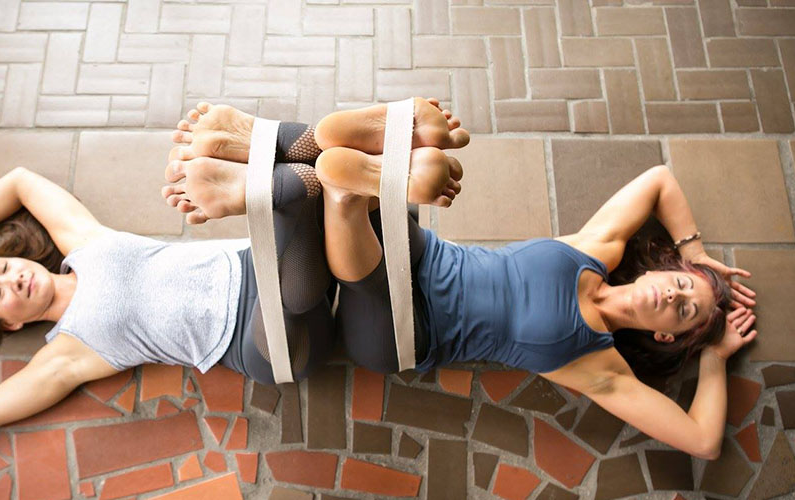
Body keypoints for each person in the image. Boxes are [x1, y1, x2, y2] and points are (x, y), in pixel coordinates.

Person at [165, 99, 758, 460]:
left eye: (684, 313)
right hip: (426, 257)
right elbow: (659, 178)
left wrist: (714, 355)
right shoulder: (595, 249)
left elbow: (703, 440)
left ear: (664, 336)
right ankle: (341, 179)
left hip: (406, 333)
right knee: (383, 228)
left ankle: (331, 176)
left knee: (370, 264)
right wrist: (699, 254)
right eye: (683, 285)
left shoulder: (601, 367)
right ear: (665, 271)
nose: (674, 296)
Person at [0, 116, 392, 432]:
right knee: (293, 260)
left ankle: (324, 168)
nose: (11, 281)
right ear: (9, 325)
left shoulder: (82, 241)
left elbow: (19, 181)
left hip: (258, 262)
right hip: (265, 343)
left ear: (22, 259)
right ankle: (291, 164)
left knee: (303, 224)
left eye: (4, 267)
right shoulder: (67, 352)